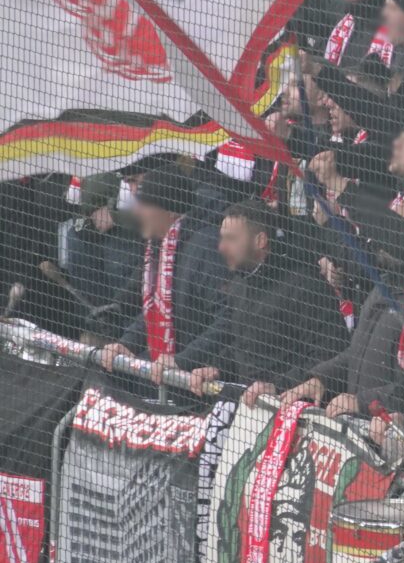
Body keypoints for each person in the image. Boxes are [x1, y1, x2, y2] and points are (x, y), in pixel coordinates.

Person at [174, 202, 348, 396]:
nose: (221, 247)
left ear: (260, 240)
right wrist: (217, 368)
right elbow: (243, 349)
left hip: (292, 406)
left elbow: (329, 353)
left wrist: (277, 387)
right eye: (222, 238)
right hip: (249, 403)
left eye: (231, 239)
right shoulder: (239, 285)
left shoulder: (304, 286)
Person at [99, 162, 227, 379]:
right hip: (170, 364)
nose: (136, 211)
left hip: (200, 374)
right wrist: (126, 344)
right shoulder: (161, 246)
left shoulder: (206, 249)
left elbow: (228, 319)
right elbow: (156, 310)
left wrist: (184, 360)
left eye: (144, 205)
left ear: (169, 211)